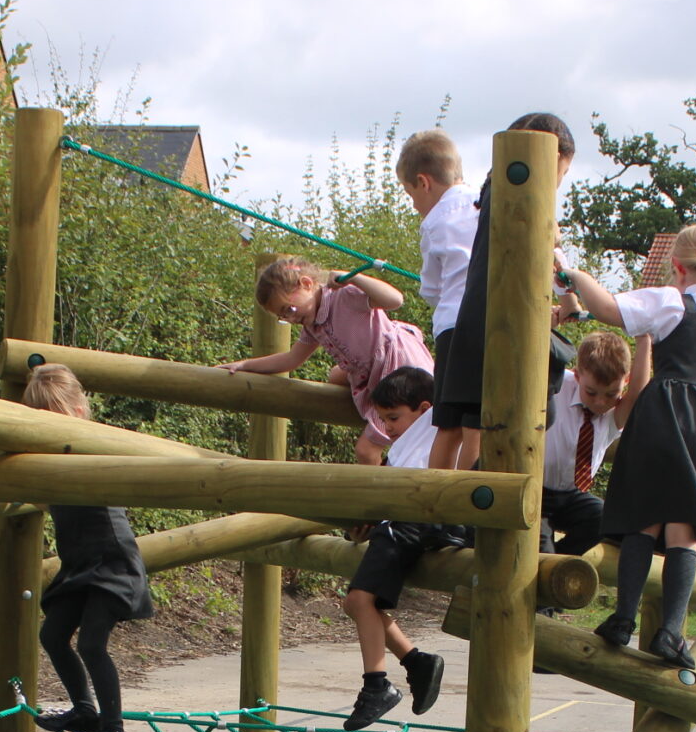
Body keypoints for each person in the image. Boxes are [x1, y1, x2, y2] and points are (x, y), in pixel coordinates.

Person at [559, 224, 696, 671]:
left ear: (678, 266)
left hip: (665, 414)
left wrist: (573, 274)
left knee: (644, 519)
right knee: (685, 529)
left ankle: (622, 618)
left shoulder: (670, 301)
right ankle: (672, 631)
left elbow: (607, 308)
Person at [429, 111, 580, 472]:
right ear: (551, 157)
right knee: (486, 422)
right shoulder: (517, 186)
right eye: (562, 172)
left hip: (470, 318)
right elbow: (543, 243)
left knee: (464, 421)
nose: (559, 182)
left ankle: (444, 518)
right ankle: (466, 516)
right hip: (496, 322)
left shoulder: (494, 188)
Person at [19, 364, 150, 732]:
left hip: (112, 562)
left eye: (53, 416)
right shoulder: (48, 457)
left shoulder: (95, 445)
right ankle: (85, 711)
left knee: (93, 643)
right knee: (52, 635)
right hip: (78, 564)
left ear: (77, 413)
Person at [218, 255, 429, 465]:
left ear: (307, 284)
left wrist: (356, 279)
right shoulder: (312, 323)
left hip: (397, 366)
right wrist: (245, 364)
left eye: (289, 310)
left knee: (366, 451)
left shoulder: (343, 296)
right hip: (368, 370)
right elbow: (291, 359)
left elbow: (395, 300)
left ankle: (382, 491)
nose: (291, 319)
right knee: (334, 376)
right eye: (283, 318)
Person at [337, 366, 457, 730]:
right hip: (398, 523)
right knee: (356, 603)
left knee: (360, 601)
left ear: (423, 409)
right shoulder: (407, 444)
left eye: (393, 417)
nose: (386, 427)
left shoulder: (433, 428)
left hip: (410, 525)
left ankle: (377, 685)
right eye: (383, 419)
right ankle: (415, 661)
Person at [395, 128, 481, 473]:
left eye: (410, 193)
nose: (414, 203)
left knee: (449, 424)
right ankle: (467, 513)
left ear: (423, 181)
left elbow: (431, 289)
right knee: (479, 421)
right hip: (491, 324)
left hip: (453, 326)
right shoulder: (487, 203)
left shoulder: (435, 221)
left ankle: (439, 511)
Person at [539, 330, 644, 555]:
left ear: (625, 382)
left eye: (611, 394)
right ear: (577, 376)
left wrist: (644, 337)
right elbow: (539, 359)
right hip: (538, 492)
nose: (600, 402)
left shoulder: (613, 416)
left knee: (606, 517)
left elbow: (638, 393)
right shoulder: (559, 386)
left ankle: (562, 561)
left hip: (570, 496)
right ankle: (548, 557)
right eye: (591, 392)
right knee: (540, 549)